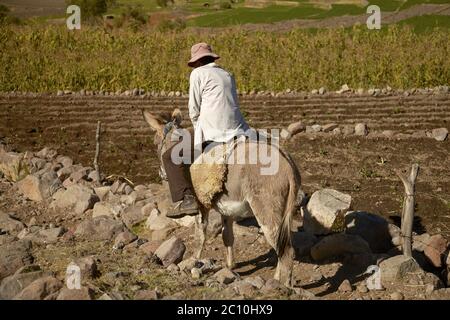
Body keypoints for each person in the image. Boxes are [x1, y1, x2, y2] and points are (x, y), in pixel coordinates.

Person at [163, 42, 249, 218]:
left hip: (214, 131)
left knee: (170, 157)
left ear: (196, 62)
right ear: (211, 58)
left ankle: (186, 200)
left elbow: (194, 109)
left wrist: (197, 129)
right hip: (239, 129)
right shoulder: (227, 74)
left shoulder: (197, 73)